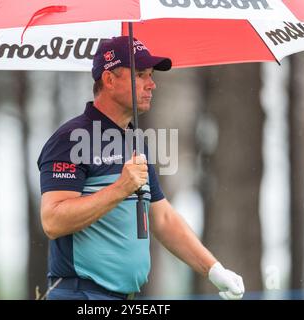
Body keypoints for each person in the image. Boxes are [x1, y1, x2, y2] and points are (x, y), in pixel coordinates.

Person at [38, 36, 244, 300]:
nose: (152, 84)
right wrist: (120, 188)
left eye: (151, 75)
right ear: (110, 80)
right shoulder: (70, 138)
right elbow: (53, 221)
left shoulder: (134, 141)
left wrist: (214, 269)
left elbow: (162, 218)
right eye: (140, 75)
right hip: (80, 295)